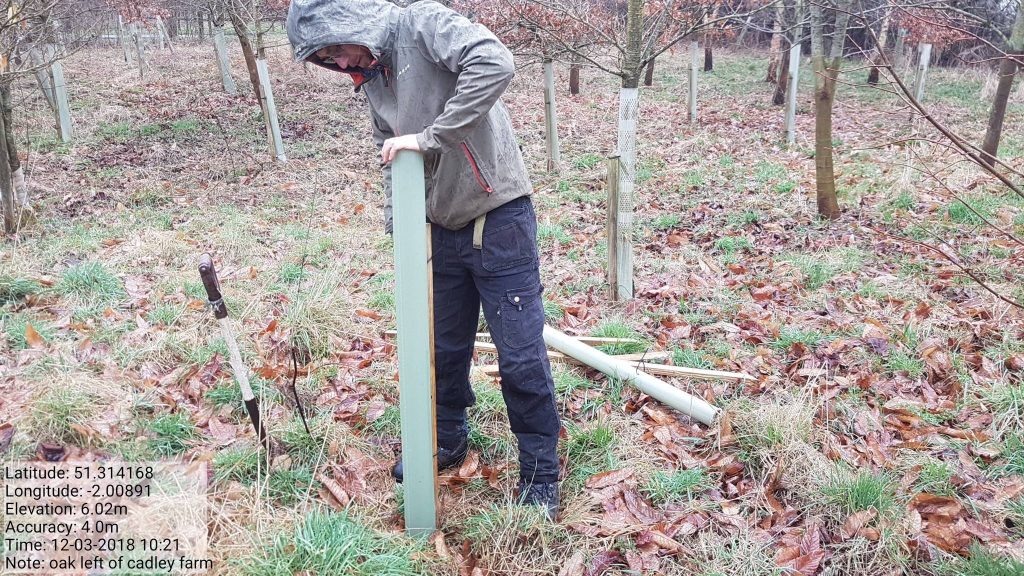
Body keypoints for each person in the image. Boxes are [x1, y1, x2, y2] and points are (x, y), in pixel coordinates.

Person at [287, 0, 561, 519]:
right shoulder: (371, 76)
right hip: (437, 229)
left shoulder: (421, 23)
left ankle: (540, 470)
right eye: (327, 58)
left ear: (355, 25)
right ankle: (447, 439)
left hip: (498, 217)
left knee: (521, 356)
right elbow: (389, 150)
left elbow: (494, 62)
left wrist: (432, 138)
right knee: (441, 350)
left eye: (338, 49)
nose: (341, 64)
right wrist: (402, 229)